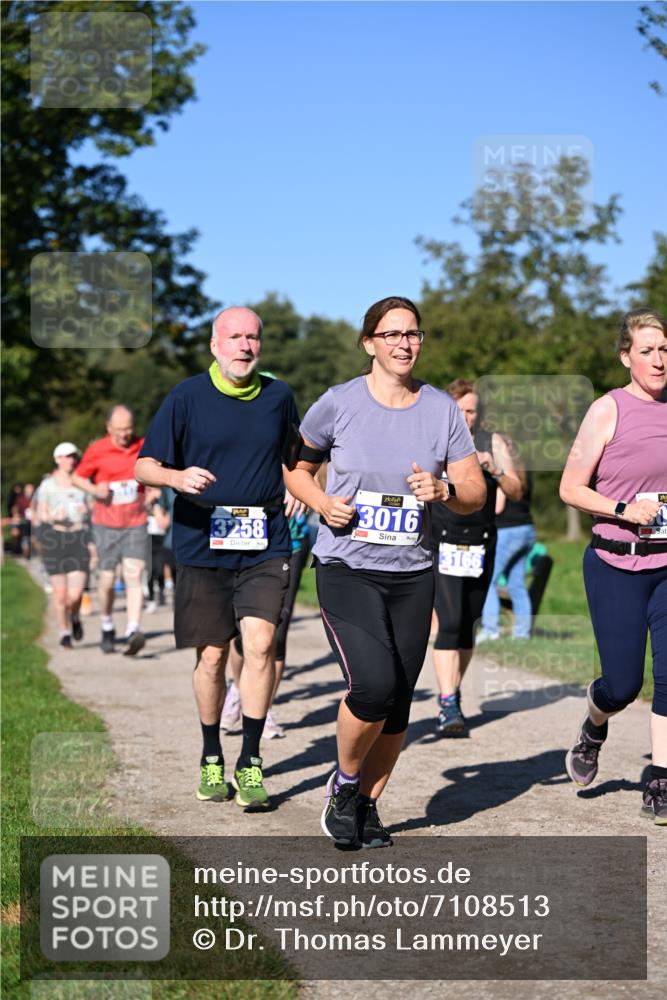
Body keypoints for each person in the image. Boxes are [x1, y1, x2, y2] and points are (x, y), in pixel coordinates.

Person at [283, 296, 486, 848]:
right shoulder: (338, 403)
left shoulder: (442, 409)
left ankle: (368, 806)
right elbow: (297, 470)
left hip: (414, 570)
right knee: (373, 685)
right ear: (369, 342)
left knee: (398, 699)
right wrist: (323, 504)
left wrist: (444, 490)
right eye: (391, 334)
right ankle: (344, 785)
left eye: (413, 334)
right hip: (347, 564)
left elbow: (474, 491)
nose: (403, 343)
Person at [135, 306, 301, 811]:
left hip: (265, 541)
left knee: (262, 643)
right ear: (214, 345)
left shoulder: (279, 395)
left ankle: (249, 761)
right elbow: (144, 465)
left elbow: (299, 456)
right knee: (210, 657)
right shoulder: (186, 396)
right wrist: (176, 478)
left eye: (253, 338)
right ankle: (212, 755)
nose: (244, 346)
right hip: (201, 544)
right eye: (234, 337)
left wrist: (304, 486)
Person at [560, 308, 667, 825]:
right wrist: (624, 509)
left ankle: (660, 779)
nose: (658, 359)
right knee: (623, 685)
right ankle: (594, 724)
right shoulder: (608, 410)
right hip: (616, 562)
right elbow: (570, 487)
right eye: (646, 350)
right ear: (626, 357)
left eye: (664, 348)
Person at [430, 380, 523, 736]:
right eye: (460, 410)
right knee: (450, 621)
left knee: (469, 622)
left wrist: (496, 470)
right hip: (443, 541)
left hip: (482, 542)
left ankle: (451, 694)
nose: (466, 417)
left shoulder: (492, 442)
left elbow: (516, 489)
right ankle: (447, 700)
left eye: (472, 410)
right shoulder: (435, 441)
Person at [222, 510, 311, 739]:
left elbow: (321, 485)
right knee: (243, 630)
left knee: (276, 635)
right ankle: (238, 689)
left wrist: (302, 488)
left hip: (291, 542)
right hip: (243, 536)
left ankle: (264, 707)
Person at [72, 406, 148, 655]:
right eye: (119, 430)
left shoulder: (143, 444)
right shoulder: (97, 450)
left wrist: (154, 493)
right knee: (107, 580)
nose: (125, 434)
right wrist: (95, 490)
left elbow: (155, 472)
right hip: (105, 523)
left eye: (128, 428)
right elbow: (77, 477)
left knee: (133, 575)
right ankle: (107, 624)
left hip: (135, 521)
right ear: (109, 428)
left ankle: (133, 630)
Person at [33, 443, 92, 648]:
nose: (70, 460)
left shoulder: (82, 483)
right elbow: (40, 514)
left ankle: (74, 616)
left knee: (75, 595)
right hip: (55, 539)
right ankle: (64, 631)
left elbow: (94, 508)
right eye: (66, 456)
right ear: (57, 459)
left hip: (78, 539)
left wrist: (88, 510)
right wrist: (52, 516)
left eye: (74, 456)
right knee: (60, 595)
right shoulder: (47, 485)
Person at [479, 469, 536, 641]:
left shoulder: (504, 473)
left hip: (507, 531)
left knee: (488, 579)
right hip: (527, 529)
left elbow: (497, 507)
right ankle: (522, 634)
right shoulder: (525, 472)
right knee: (516, 584)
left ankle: (490, 630)